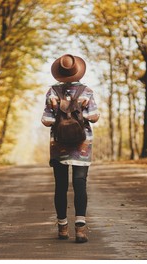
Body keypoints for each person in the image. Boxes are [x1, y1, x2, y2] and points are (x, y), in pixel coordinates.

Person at [41, 54, 100, 243]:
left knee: (60, 185)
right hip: (82, 144)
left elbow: (47, 120)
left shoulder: (52, 92)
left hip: (59, 144)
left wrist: (60, 113)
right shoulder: (86, 91)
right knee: (80, 183)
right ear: (77, 71)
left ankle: (62, 228)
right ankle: (80, 229)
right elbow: (94, 116)